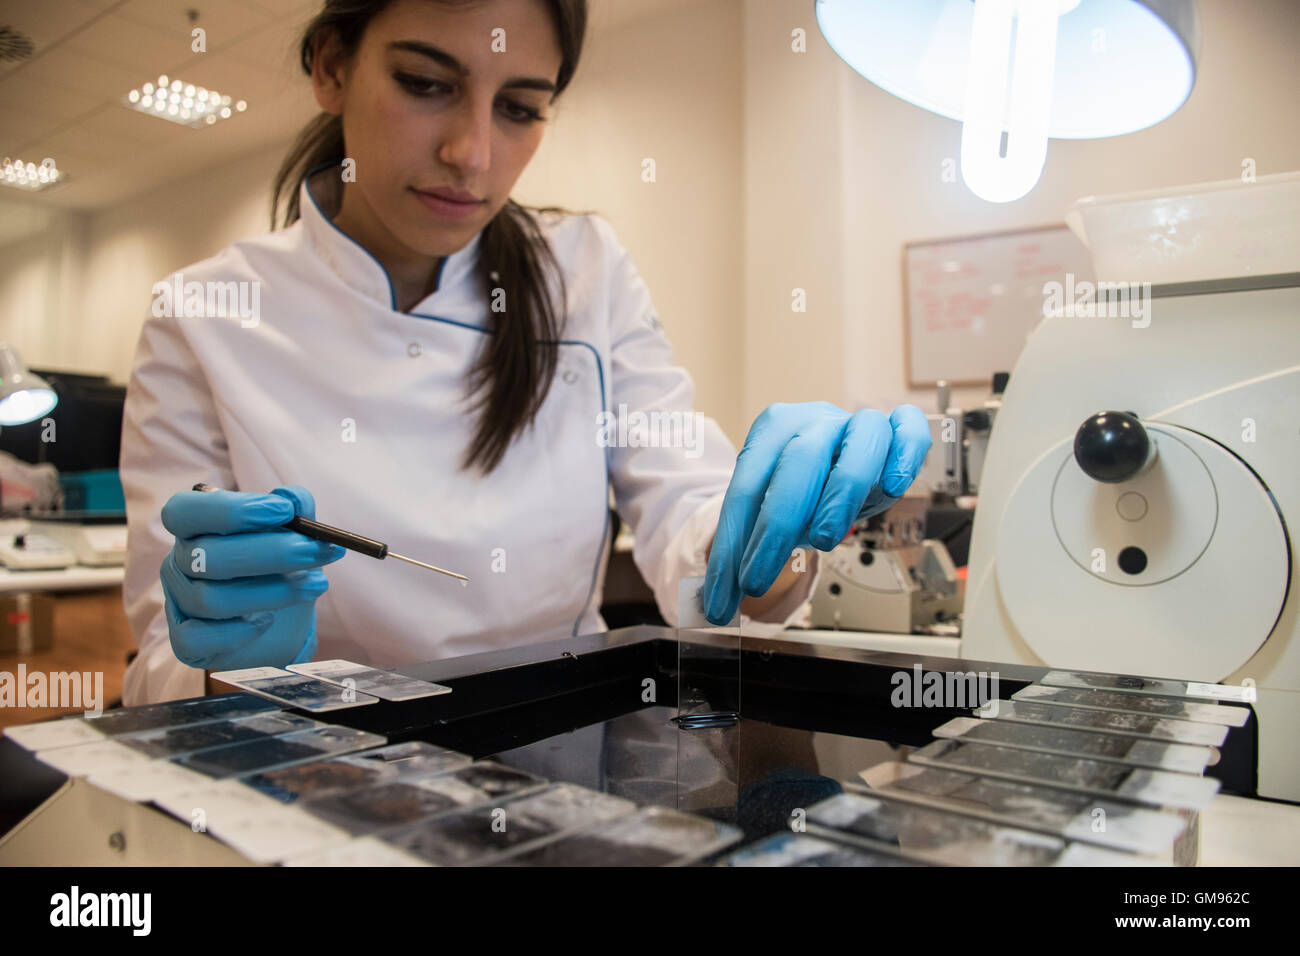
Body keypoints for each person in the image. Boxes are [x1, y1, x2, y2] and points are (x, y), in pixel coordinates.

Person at [119, 0, 930, 705]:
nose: (472, 154)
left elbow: (688, 514)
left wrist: (774, 532)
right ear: (332, 66)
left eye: (519, 107)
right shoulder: (204, 316)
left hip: (563, 737)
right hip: (320, 772)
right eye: (425, 84)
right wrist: (227, 664)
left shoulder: (584, 270)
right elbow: (160, 664)